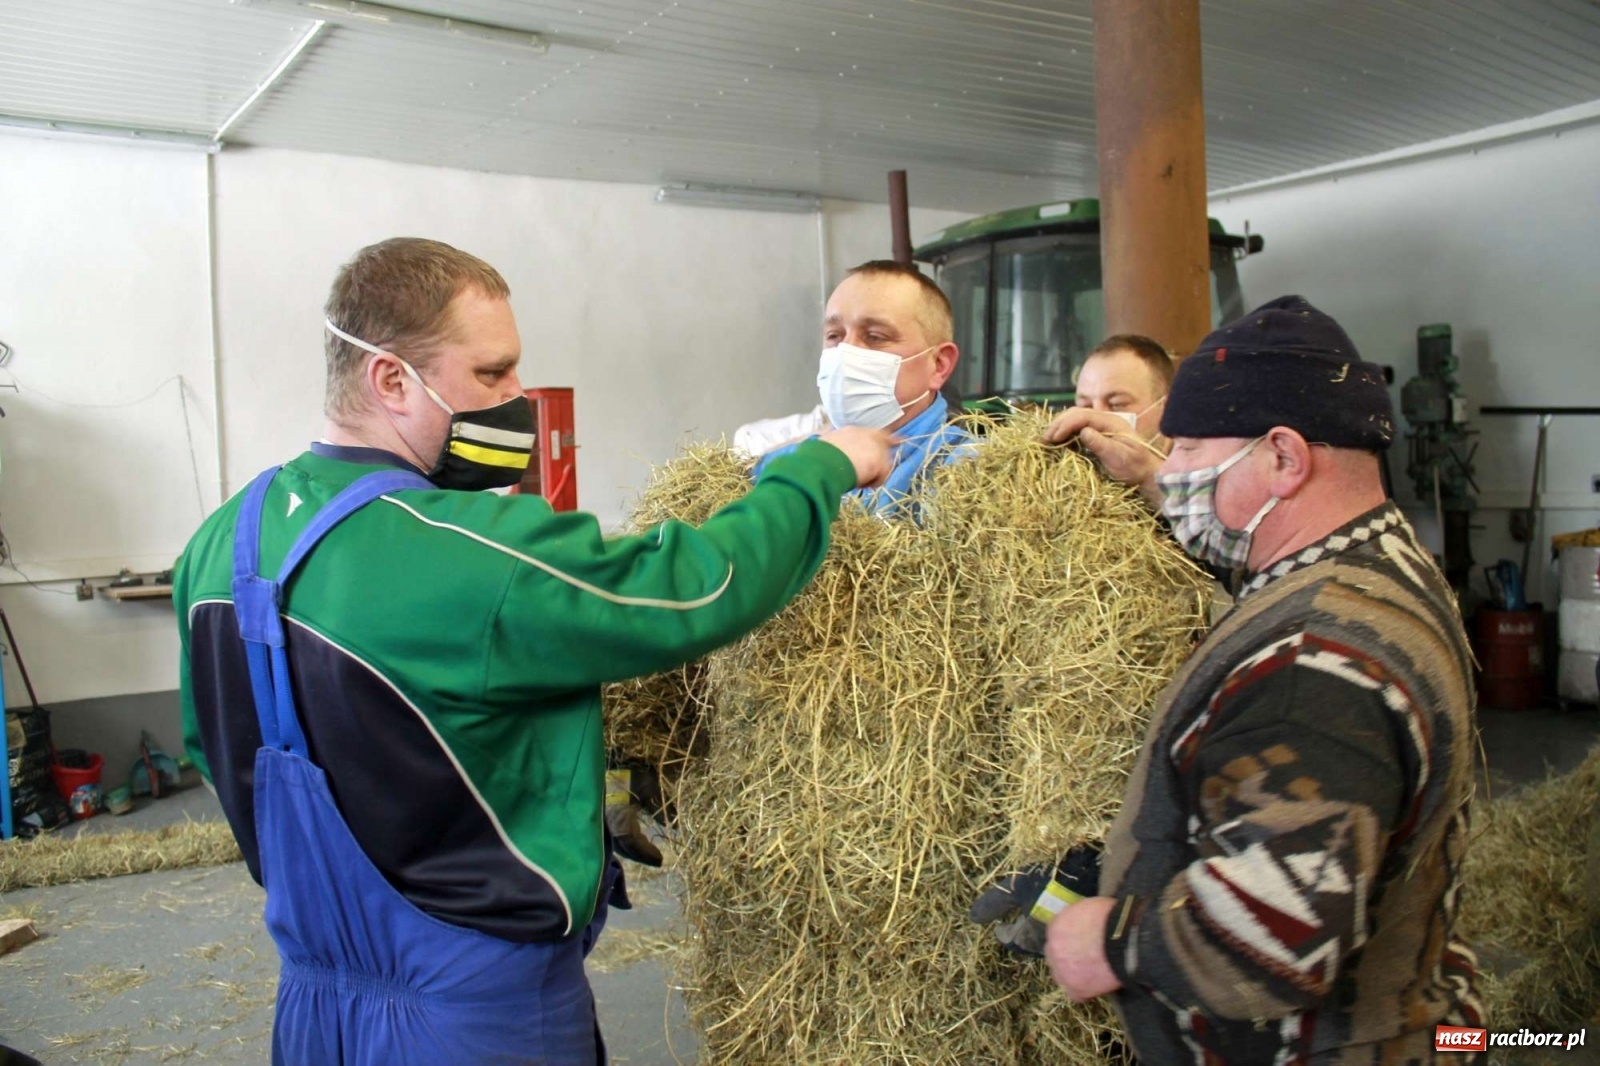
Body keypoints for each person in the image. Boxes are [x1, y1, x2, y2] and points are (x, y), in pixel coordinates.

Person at [173, 237, 894, 1065]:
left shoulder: (223, 537)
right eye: (491, 374)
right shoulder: (463, 548)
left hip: (314, 1000)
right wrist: (815, 471)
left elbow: (214, 745)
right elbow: (697, 587)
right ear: (390, 379)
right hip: (474, 1005)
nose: (517, 397)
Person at [1040, 296, 1483, 1062]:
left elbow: (1272, 938)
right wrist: (1148, 476)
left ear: (1284, 458)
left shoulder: (1313, 665)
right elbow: (1269, 572)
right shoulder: (1377, 564)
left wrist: (1109, 944)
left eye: (1184, 449)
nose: (1171, 471)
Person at [752, 260, 974, 515]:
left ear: (938, 365)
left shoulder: (970, 476)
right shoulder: (790, 465)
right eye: (835, 335)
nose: (846, 352)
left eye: (875, 336)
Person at [1042, 333, 1177, 509]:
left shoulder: (1206, 474)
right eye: (1086, 406)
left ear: (1167, 408)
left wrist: (1147, 476)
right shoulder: (1066, 490)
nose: (1095, 420)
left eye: (1116, 405)